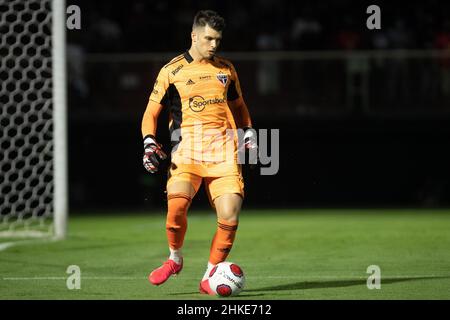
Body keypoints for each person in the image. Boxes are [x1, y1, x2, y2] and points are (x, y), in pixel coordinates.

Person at [141, 10, 257, 294]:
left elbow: (239, 107)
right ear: (194, 36)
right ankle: (174, 259)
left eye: (217, 39)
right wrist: (148, 141)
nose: (214, 45)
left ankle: (210, 275)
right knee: (177, 205)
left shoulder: (226, 69)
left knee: (230, 214)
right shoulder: (172, 71)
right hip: (187, 152)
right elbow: (150, 112)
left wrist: (249, 132)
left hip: (223, 153)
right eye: (208, 39)